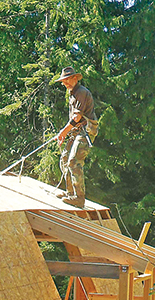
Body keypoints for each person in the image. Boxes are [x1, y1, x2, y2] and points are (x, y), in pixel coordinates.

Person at [54, 67, 99, 208]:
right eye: (63, 81)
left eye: (67, 80)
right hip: (76, 131)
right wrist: (67, 133)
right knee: (65, 159)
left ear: (75, 78)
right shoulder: (72, 93)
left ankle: (79, 198)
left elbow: (77, 117)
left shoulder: (81, 93)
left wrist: (63, 132)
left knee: (74, 161)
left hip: (86, 132)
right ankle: (70, 192)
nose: (64, 83)